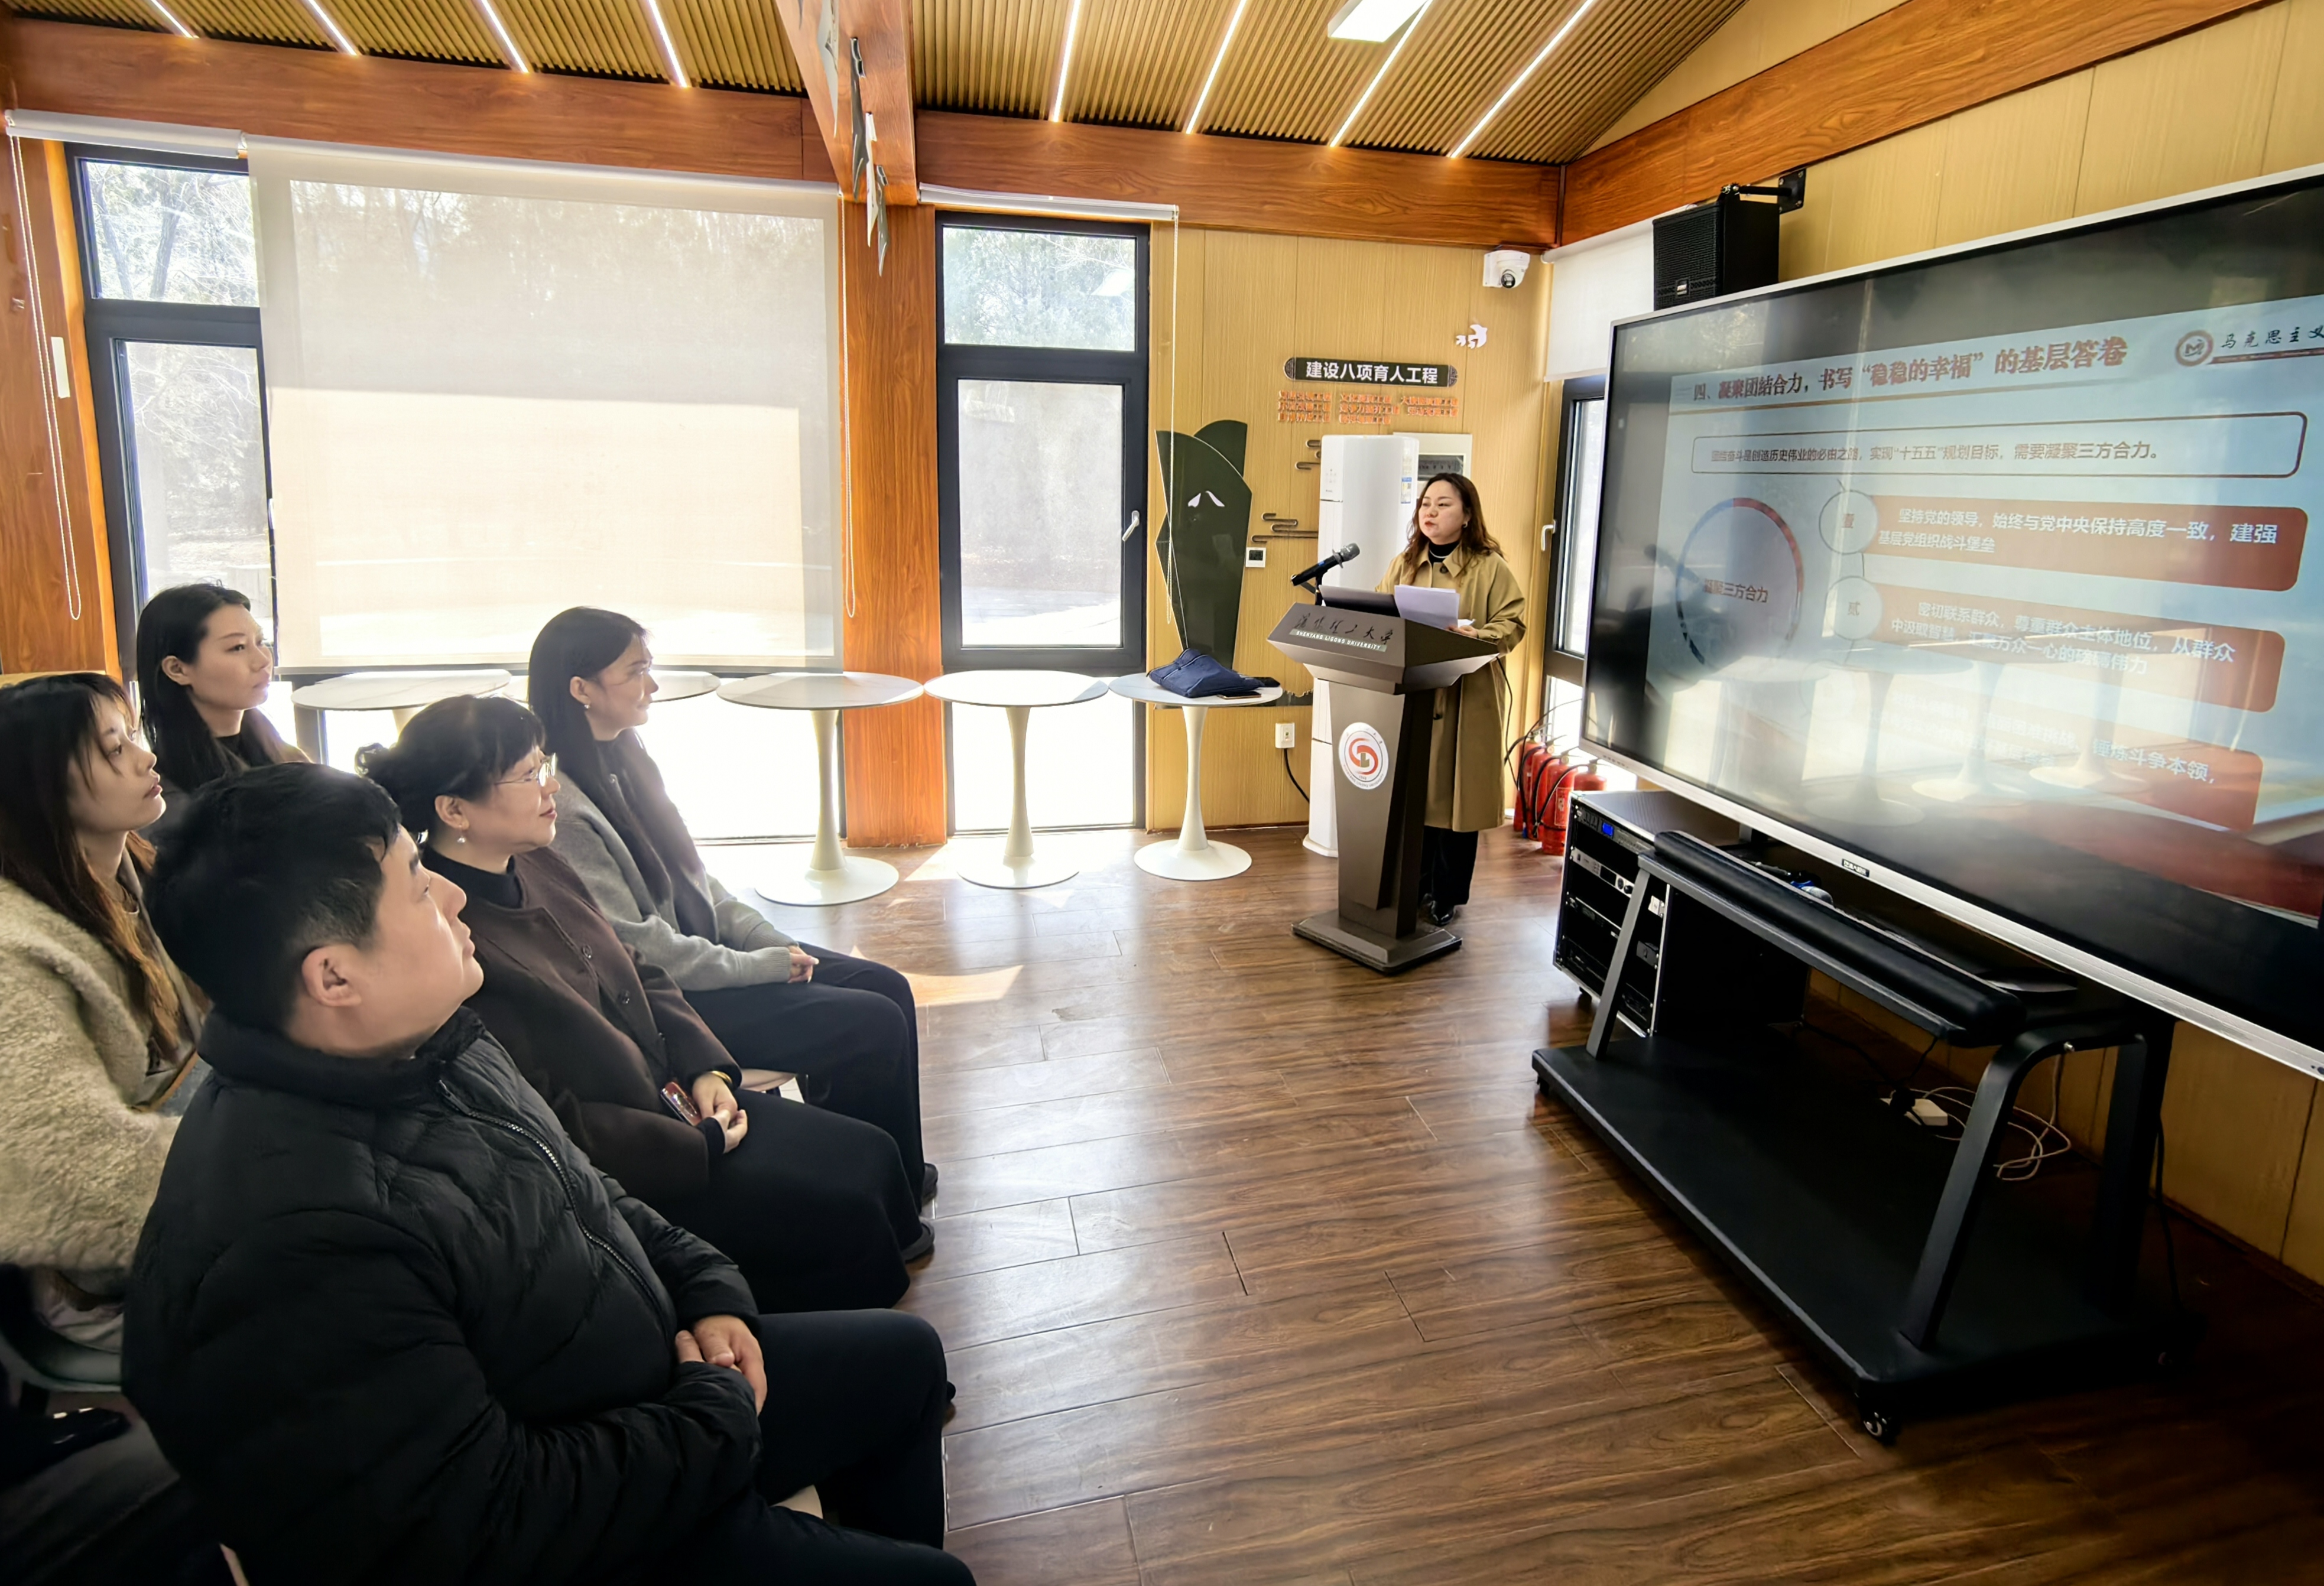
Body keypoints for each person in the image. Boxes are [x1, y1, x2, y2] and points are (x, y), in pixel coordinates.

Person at [126, 762, 972, 1585]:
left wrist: (707, 1291)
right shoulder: (296, 1245)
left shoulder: (433, 1045)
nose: (453, 896)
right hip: (591, 1523)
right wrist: (712, 1411)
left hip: (645, 1395)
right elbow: (494, 1520)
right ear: (333, 975)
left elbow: (587, 1190)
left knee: (903, 1359)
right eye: (417, 885)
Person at [361, 697, 930, 1308]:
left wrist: (706, 1070)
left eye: (542, 765)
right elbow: (551, 1116)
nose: (551, 785)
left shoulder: (539, 861)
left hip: (680, 1100)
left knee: (872, 1155)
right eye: (527, 775)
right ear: (454, 809)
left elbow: (637, 968)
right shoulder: (462, 945)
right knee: (845, 1200)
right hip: (647, 1162)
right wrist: (698, 1144)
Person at [528, 607, 934, 1202]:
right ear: (580, 688)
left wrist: (766, 939)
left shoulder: (626, 756)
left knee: (887, 987)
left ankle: (897, 1176)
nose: (652, 685)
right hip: (676, 999)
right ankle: (881, 1200)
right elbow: (640, 947)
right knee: (870, 1022)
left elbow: (697, 880)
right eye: (636, 671)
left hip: (708, 956)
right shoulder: (565, 807)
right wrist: (760, 965)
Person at [0, 675, 205, 1351]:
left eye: (134, 737)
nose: (146, 758)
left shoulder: (137, 875)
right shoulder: (15, 950)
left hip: (195, 1177)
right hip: (108, 1267)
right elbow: (68, 1162)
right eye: (115, 748)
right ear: (39, 788)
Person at [1375, 473, 1527, 927]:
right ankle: (1414, 883)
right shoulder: (1405, 563)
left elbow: (1513, 622)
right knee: (1416, 796)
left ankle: (1447, 895)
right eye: (1426, 503)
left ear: (1466, 515)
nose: (1431, 512)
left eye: (1443, 504)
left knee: (1458, 801)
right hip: (1415, 690)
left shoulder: (1489, 566)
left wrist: (1476, 635)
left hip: (1467, 694)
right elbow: (1381, 610)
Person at [135, 584, 300, 846]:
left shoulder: (283, 753)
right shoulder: (166, 802)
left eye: (260, 642)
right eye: (237, 648)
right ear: (177, 669)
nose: (263, 660)